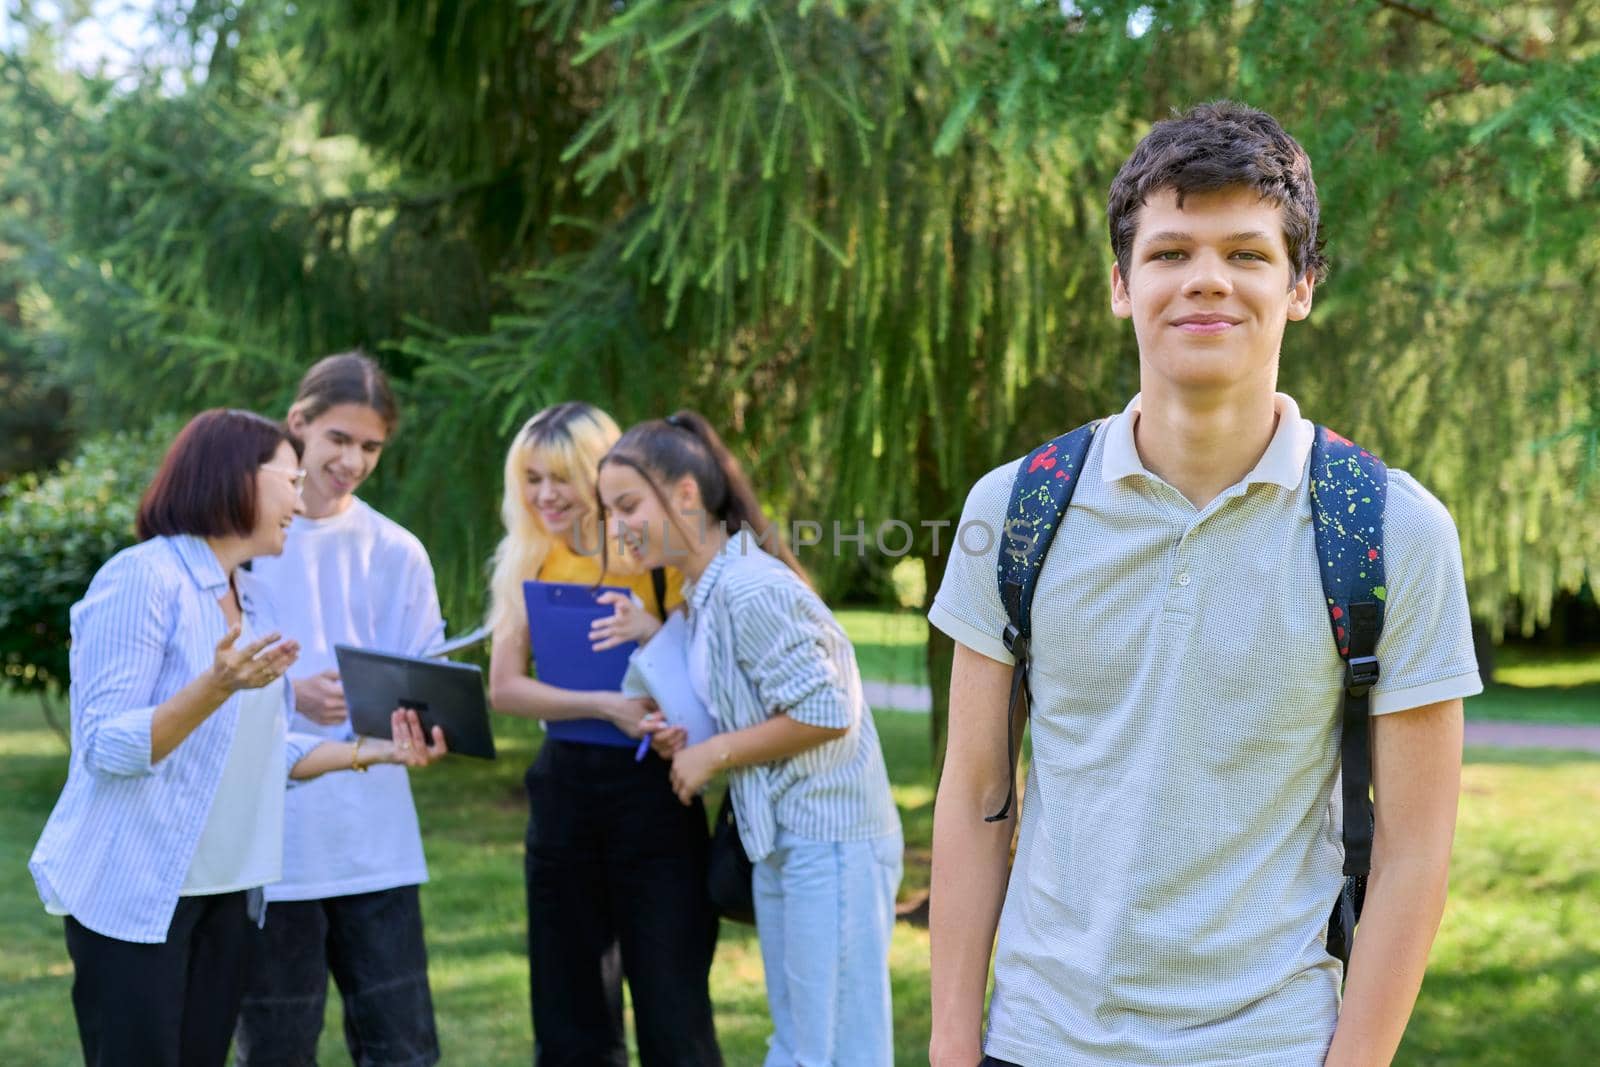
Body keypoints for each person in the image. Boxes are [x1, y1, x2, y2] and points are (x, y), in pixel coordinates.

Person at [926, 101, 1482, 1067]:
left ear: (1301, 284)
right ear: (1120, 283)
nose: (1206, 281)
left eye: (1249, 253)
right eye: (1171, 251)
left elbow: (1414, 854)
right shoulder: (1014, 508)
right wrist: (948, 1046)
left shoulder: (1391, 531)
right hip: (1038, 1039)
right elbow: (975, 792)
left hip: (1268, 1044)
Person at [28, 408, 446, 1067]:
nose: (301, 497)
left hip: (227, 893)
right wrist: (214, 686)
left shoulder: (253, 602)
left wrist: (377, 750)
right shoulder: (142, 578)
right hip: (139, 895)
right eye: (291, 477)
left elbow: (259, 753)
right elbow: (107, 747)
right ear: (233, 479)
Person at [601, 410, 903, 1067]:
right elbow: (760, 711)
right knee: (802, 1043)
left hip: (831, 840)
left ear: (685, 493)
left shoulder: (748, 588)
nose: (615, 525)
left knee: (833, 1050)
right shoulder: (706, 595)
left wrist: (713, 753)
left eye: (627, 504)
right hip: (784, 839)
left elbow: (829, 710)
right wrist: (690, 734)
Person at [484, 401, 721, 1067]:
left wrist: (653, 639)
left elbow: (707, 675)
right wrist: (604, 704)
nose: (546, 495)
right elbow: (504, 688)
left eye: (561, 476)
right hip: (564, 793)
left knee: (673, 1008)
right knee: (568, 1013)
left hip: (656, 794)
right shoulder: (530, 557)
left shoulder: (658, 556)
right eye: (531, 478)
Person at [234, 352, 449, 1066]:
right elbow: (201, 676)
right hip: (272, 852)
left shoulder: (398, 550)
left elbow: (429, 676)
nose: (352, 460)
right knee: (275, 1050)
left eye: (370, 447)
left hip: (377, 849)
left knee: (403, 1050)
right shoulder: (243, 545)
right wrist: (286, 692)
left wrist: (416, 721)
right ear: (298, 423)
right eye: (338, 439)